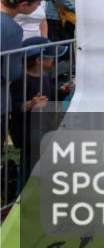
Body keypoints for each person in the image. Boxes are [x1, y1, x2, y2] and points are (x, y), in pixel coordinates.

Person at [1, 0, 58, 156]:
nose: (39, 6)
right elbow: (11, 71)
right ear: (24, 5)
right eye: (38, 3)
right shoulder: (11, 28)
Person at [9, 36, 73, 175]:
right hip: (27, 133)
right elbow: (14, 106)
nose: (55, 60)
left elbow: (49, 98)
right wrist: (30, 103)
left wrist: (62, 91)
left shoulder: (45, 76)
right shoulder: (21, 80)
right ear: (39, 60)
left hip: (44, 129)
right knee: (30, 166)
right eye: (52, 57)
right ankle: (25, 192)